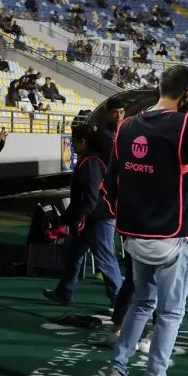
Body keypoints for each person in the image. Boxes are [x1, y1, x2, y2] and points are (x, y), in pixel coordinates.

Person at [100, 64, 188, 376]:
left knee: (142, 303)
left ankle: (117, 371)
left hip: (133, 236)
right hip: (173, 238)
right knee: (170, 314)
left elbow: (108, 185)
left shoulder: (127, 127)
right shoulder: (187, 127)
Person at [43, 123, 122, 305]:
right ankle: (64, 293)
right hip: (93, 216)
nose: (72, 144)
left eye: (74, 141)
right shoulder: (93, 160)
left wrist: (76, 218)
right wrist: (66, 219)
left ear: (83, 142)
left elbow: (90, 197)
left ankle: (119, 302)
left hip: (97, 218)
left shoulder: (90, 163)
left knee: (105, 259)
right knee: (73, 255)